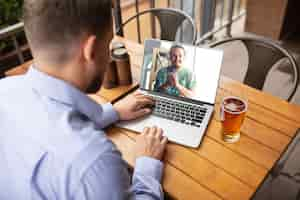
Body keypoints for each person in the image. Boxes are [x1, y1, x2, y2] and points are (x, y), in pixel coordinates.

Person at [0, 0, 168, 199]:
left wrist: (113, 112)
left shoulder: (5, 90)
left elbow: (48, 119)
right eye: (108, 45)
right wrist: (147, 163)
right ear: (91, 50)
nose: (109, 56)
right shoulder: (93, 162)